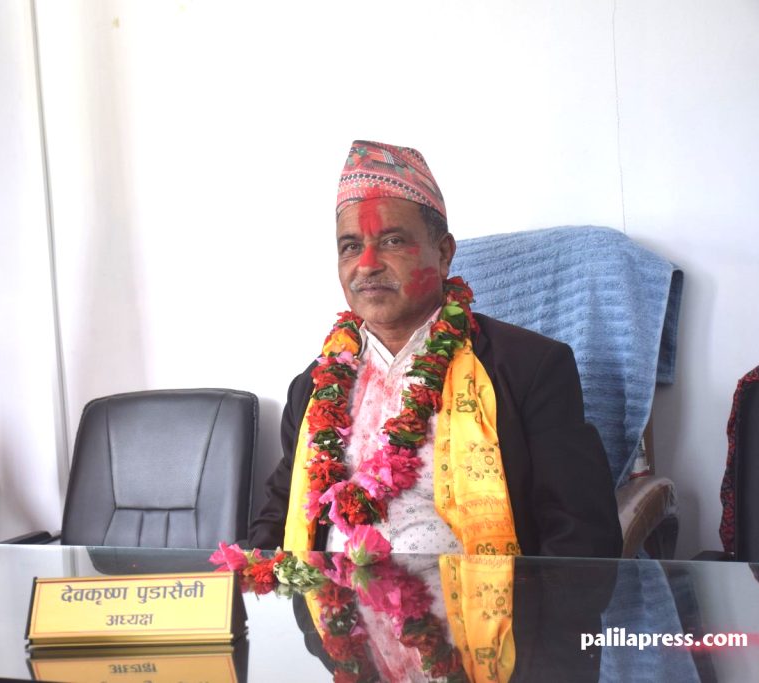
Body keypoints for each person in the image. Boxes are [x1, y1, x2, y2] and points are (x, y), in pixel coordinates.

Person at [248, 140, 622, 557]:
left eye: (392, 241)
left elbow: (583, 538)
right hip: (332, 597)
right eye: (350, 246)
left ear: (444, 254)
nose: (366, 264)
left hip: (482, 600)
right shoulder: (314, 388)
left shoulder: (529, 369)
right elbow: (277, 518)